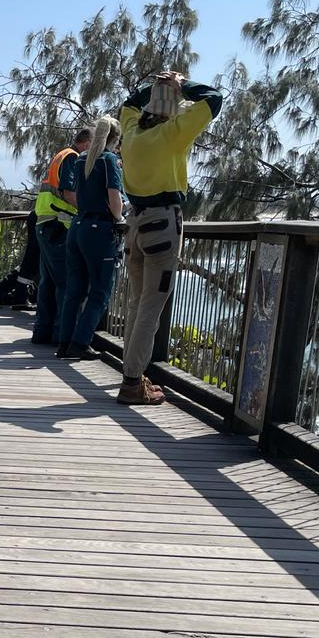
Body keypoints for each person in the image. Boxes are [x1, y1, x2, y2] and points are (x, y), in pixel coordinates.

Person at [118, 71, 223, 405]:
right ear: (173, 110)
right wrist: (182, 86)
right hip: (163, 225)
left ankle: (132, 373)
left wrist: (158, 86)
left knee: (138, 301)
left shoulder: (131, 133)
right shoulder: (173, 133)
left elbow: (128, 103)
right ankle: (133, 382)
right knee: (153, 304)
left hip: (134, 224)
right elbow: (214, 98)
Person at [56, 117, 124, 361]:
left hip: (78, 226)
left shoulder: (81, 158)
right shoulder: (109, 161)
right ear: (115, 139)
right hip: (99, 230)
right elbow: (114, 198)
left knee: (75, 289)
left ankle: (63, 342)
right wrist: (120, 216)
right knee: (99, 290)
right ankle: (81, 342)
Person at [32, 129, 91, 344]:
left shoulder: (60, 155)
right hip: (59, 225)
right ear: (87, 144)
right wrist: (88, 209)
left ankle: (42, 332)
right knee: (67, 283)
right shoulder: (72, 157)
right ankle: (61, 336)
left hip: (46, 224)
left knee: (48, 282)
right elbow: (68, 192)